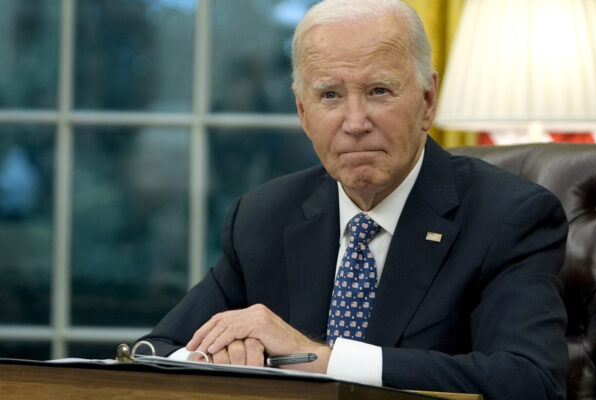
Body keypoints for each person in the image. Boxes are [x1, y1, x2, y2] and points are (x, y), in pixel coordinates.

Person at [140, 0, 569, 398]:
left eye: (379, 91)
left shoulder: (508, 217)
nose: (355, 122)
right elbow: (155, 354)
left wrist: (323, 361)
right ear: (303, 113)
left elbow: (530, 381)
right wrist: (215, 356)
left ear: (427, 100)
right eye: (330, 95)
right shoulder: (262, 217)